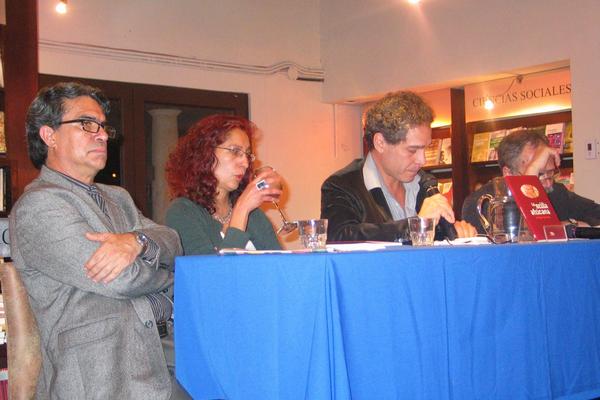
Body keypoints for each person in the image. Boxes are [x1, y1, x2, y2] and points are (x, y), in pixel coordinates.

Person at [9, 82, 183, 399]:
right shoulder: (40, 206)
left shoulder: (118, 198)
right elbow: (122, 280)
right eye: (87, 124)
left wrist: (137, 240)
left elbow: (172, 240)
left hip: (163, 351)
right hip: (104, 373)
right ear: (49, 136)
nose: (102, 134)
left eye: (103, 126)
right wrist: (171, 278)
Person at [320, 91, 476, 242]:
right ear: (380, 143)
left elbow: (440, 236)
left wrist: (456, 231)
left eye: (426, 148)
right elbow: (339, 237)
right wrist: (416, 225)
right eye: (412, 150)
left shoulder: (425, 184)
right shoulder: (341, 185)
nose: (422, 160)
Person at [165, 114, 282, 254]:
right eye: (235, 151)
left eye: (247, 155)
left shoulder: (254, 215)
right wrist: (241, 210)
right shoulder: (183, 212)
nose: (245, 163)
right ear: (205, 152)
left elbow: (281, 268)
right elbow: (212, 274)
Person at [462, 129, 600, 233]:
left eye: (551, 173)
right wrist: (558, 227)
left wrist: (571, 224)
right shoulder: (480, 202)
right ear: (508, 174)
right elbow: (518, 235)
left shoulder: (557, 192)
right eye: (538, 173)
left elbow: (596, 213)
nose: (548, 183)